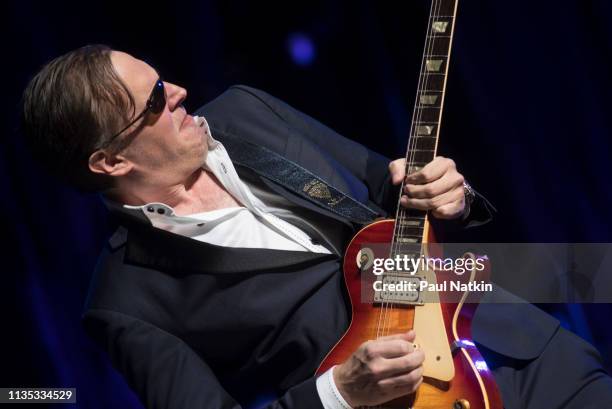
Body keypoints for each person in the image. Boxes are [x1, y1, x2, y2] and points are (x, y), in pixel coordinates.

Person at [21, 45, 612, 409]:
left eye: (161, 80)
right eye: (152, 101)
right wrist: (340, 394)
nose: (177, 92)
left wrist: (445, 192)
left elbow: (387, 184)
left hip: (522, 353)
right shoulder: (124, 303)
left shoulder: (244, 111)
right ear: (111, 161)